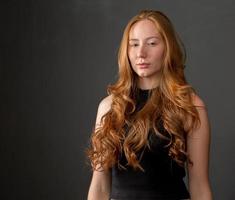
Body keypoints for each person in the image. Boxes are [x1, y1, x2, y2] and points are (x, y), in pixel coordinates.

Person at [87, 10, 212, 200]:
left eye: (152, 43)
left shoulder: (190, 106)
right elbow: (99, 185)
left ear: (167, 48)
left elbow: (200, 186)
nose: (141, 53)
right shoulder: (109, 106)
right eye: (134, 44)